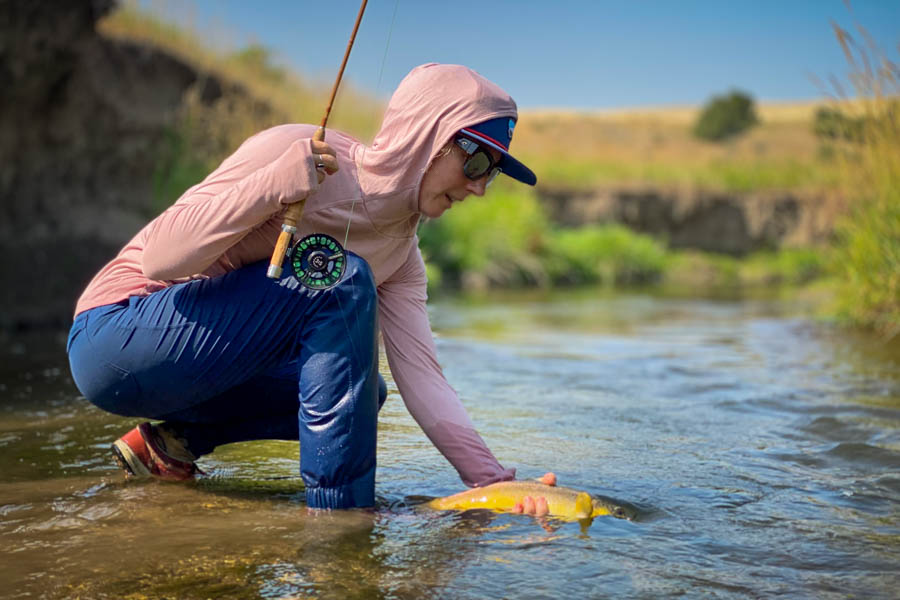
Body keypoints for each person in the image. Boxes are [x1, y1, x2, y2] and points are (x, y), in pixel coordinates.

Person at [67, 63, 542, 510]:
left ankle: (170, 445)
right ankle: (341, 518)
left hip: (198, 370)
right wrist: (273, 184)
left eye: (494, 171)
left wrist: (492, 482)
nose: (480, 187)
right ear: (429, 136)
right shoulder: (298, 150)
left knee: (361, 394)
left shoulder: (402, 259)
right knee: (338, 274)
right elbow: (163, 258)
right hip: (115, 333)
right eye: (478, 161)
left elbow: (423, 378)